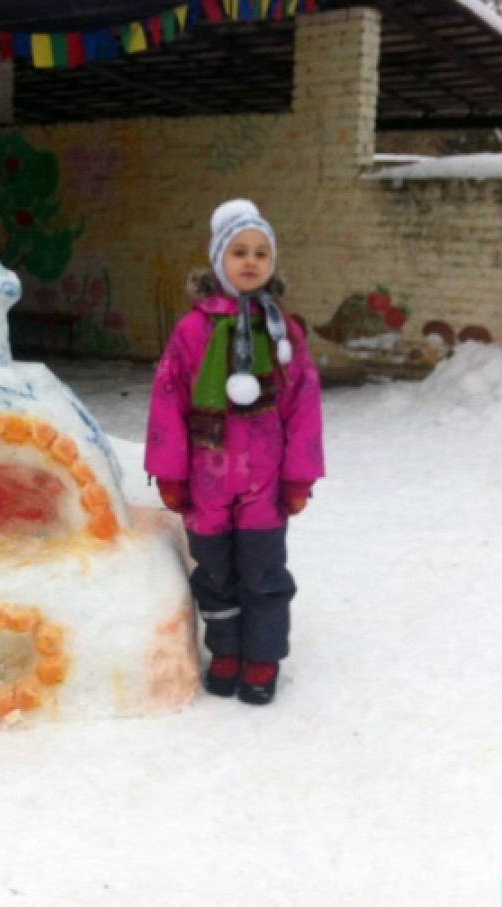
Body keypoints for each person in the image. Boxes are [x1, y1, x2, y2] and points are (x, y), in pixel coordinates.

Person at [145, 200, 325, 705]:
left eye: (261, 253)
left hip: (264, 481)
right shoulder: (192, 331)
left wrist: (299, 476)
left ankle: (262, 657)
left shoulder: (282, 333)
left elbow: (304, 402)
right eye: (239, 252)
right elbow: (168, 399)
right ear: (218, 259)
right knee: (215, 572)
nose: (251, 261)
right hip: (207, 479)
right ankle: (226, 651)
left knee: (264, 570)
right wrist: (170, 472)